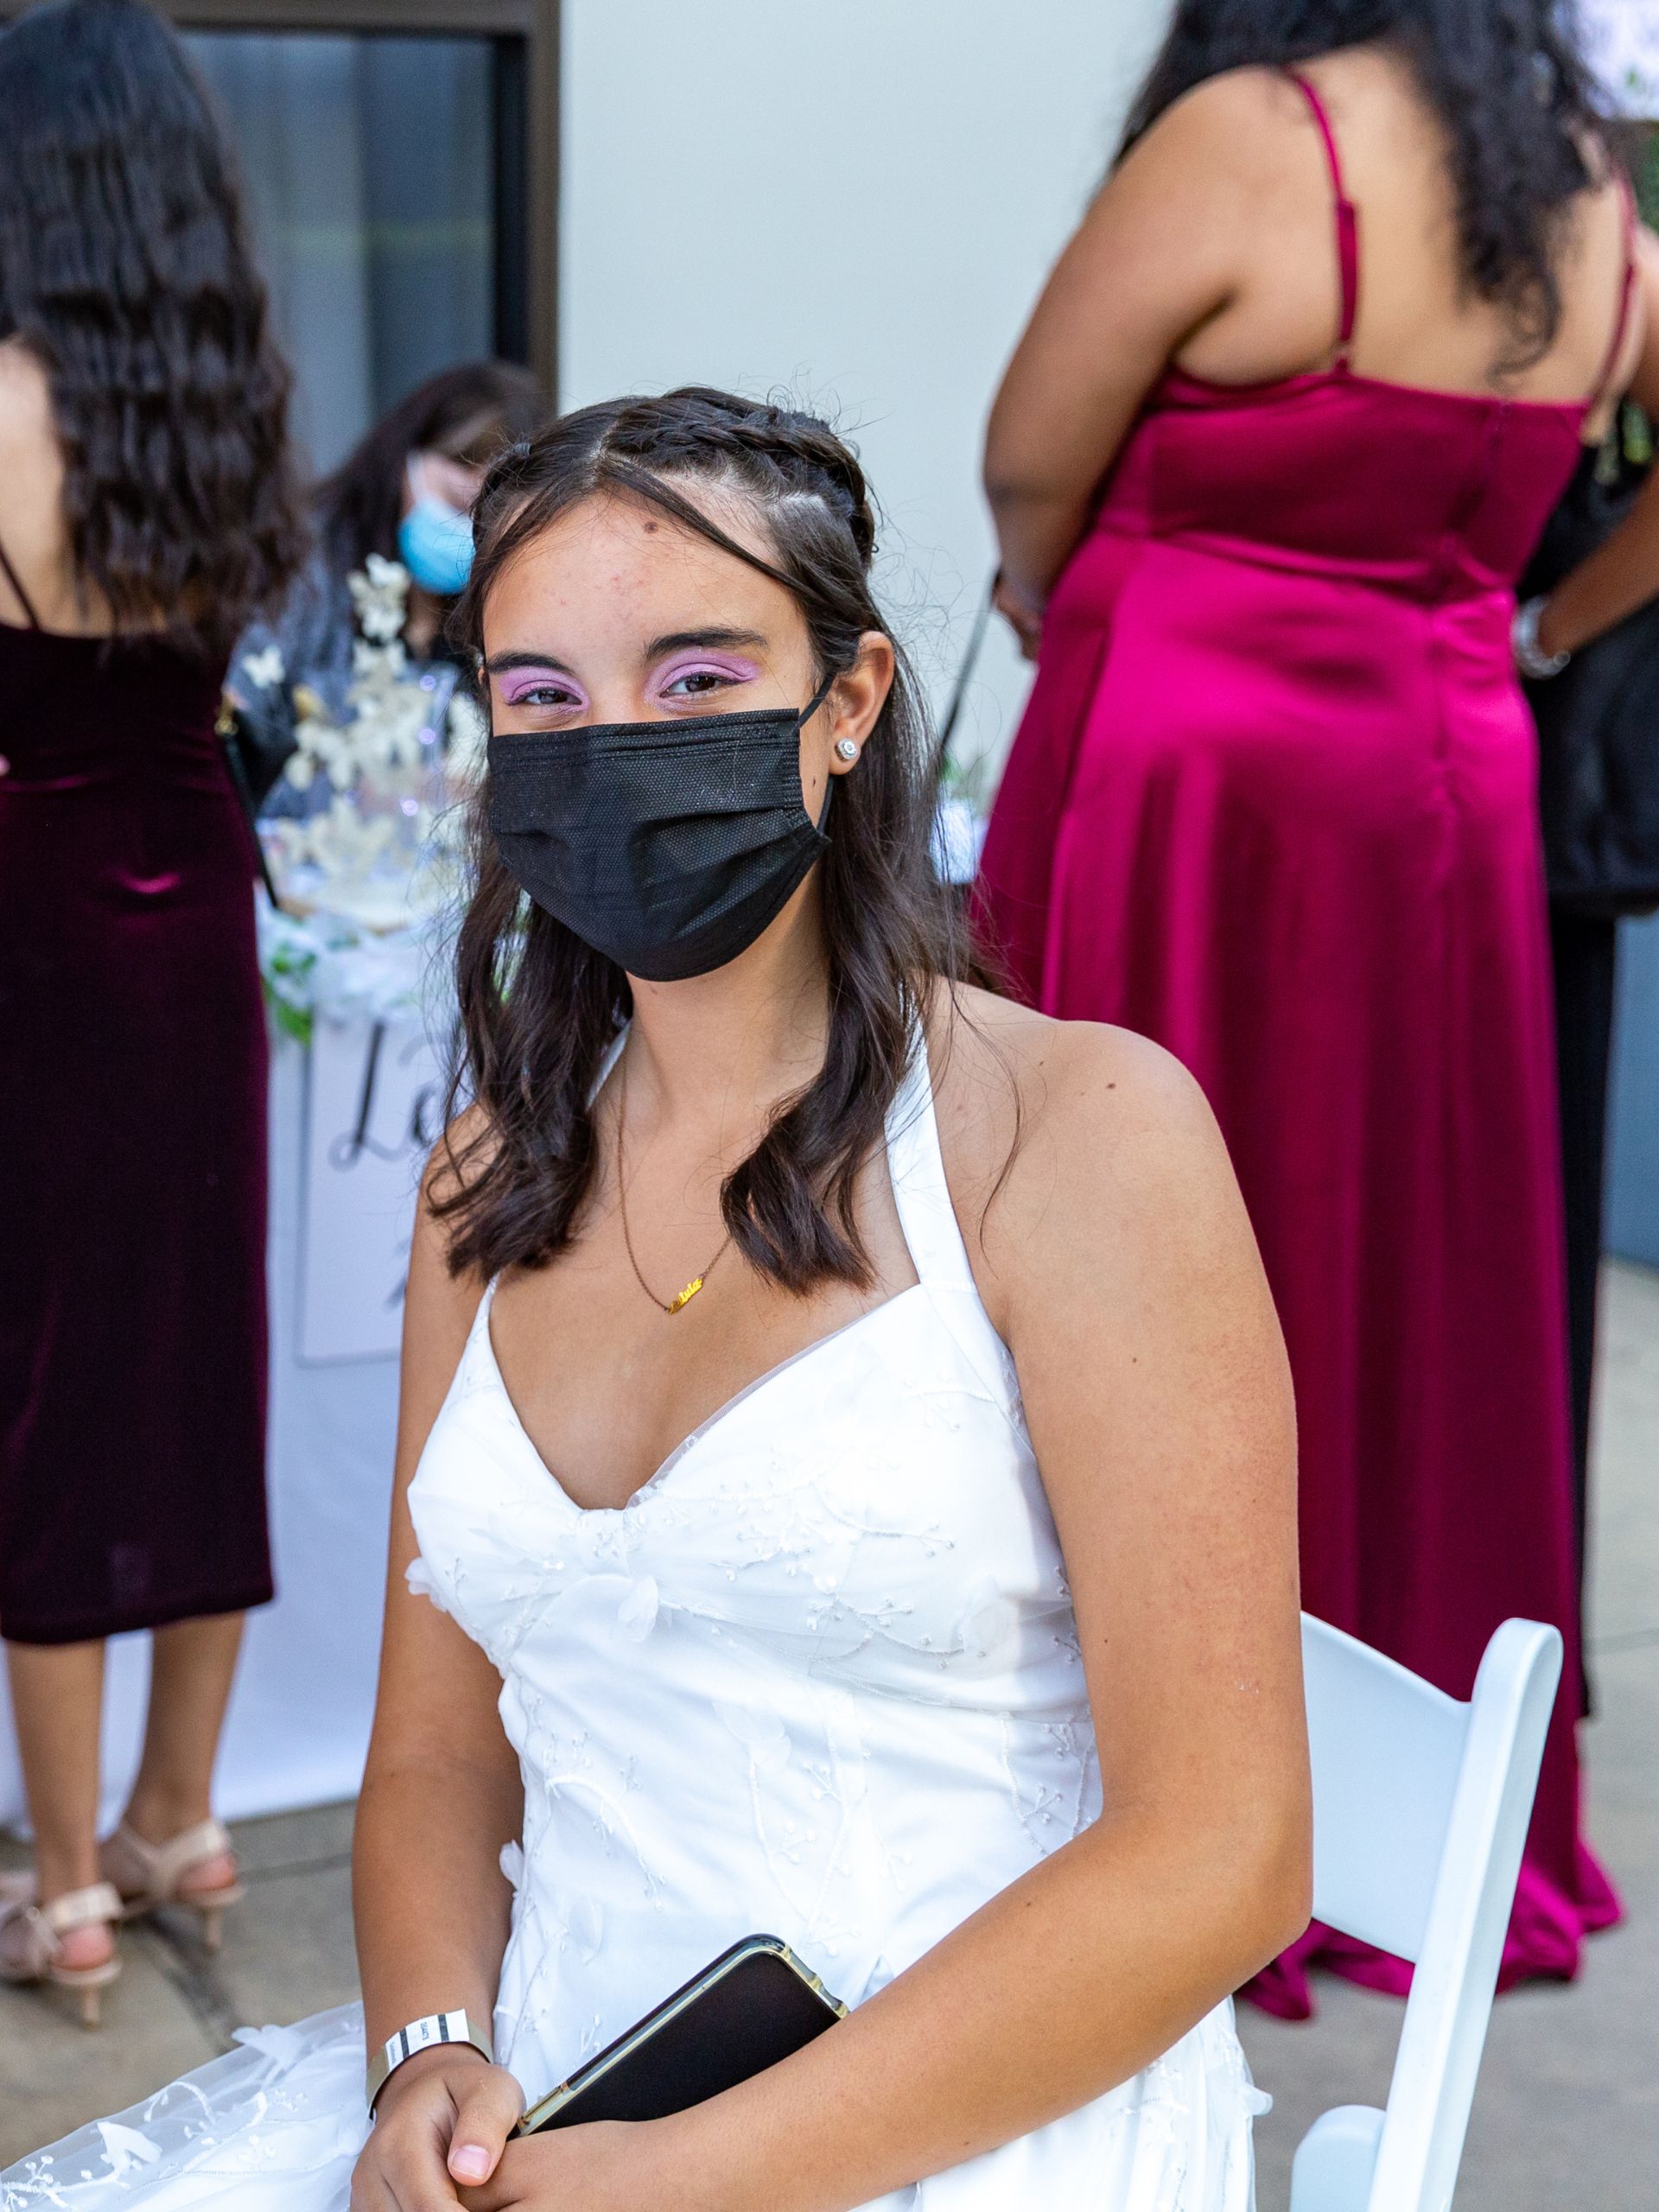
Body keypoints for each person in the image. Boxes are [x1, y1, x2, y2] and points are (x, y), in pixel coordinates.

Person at [4, 389, 1310, 2209]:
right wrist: (427, 2052)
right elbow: (440, 1752)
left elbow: (1221, 1854)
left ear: (846, 704)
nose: (610, 745)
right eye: (541, 699)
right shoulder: (489, 1183)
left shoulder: (1076, 1140)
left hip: (978, 2118)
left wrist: (692, 2171)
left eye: (697, 681)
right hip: (558, 2090)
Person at [973, 2, 1659, 2013]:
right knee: (1404, 1274)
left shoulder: (1261, 135)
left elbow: (1028, 450)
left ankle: (1127, 1789)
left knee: (1106, 1233)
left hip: (1188, 747)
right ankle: (1393, 1802)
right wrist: (1533, 623)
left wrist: (1045, 587)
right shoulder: (1584, 197)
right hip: (1441, 775)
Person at [0, 0, 304, 2016]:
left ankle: (63, 1879)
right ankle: (183, 1811)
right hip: (194, 882)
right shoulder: (235, 383)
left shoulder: (3, 398)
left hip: (29, 894)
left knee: (43, 1385)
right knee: (195, 1358)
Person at [227, 359, 549, 783]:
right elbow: (244, 715)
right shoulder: (304, 563)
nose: (461, 533)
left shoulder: (512, 602)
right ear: (405, 459)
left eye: (482, 524)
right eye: (453, 504)